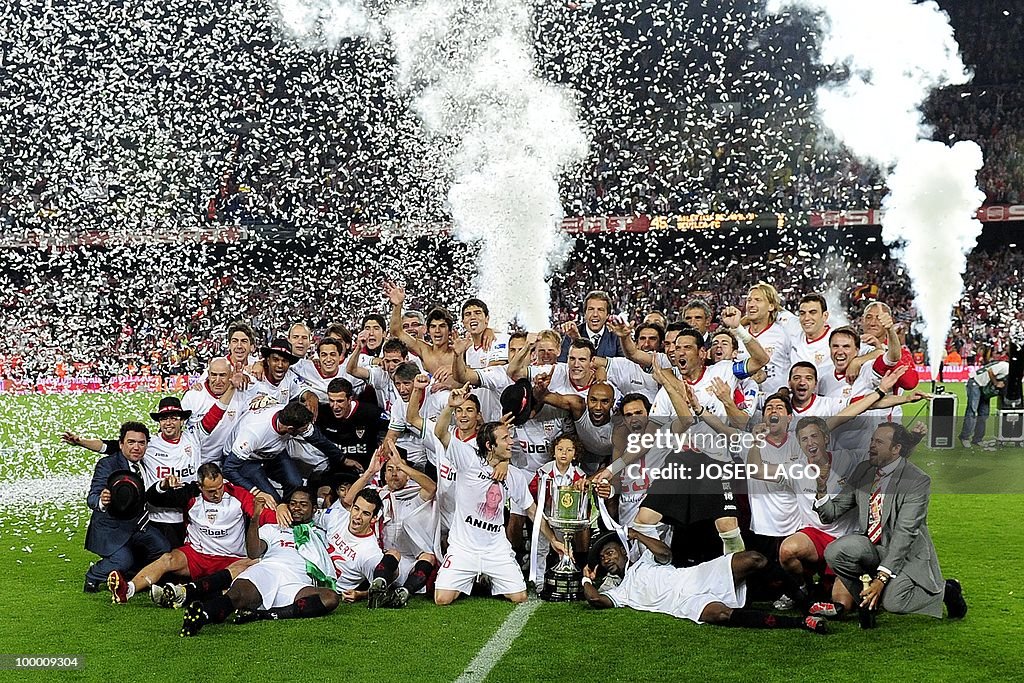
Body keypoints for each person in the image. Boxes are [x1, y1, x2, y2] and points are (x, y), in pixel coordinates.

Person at [813, 423, 968, 620]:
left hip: (905, 553)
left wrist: (882, 578)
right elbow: (831, 513)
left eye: (879, 442)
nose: (872, 446)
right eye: (872, 440)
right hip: (872, 546)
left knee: (894, 603)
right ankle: (867, 599)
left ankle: (947, 590)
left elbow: (905, 533)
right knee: (836, 551)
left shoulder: (917, 480)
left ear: (896, 449)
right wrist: (821, 488)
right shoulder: (864, 470)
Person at [582, 528, 828, 633]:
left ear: (624, 551)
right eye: (602, 559)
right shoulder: (622, 591)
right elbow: (595, 599)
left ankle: (807, 603)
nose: (606, 559)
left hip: (695, 576)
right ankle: (801, 622)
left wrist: (637, 535)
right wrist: (586, 580)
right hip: (682, 604)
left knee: (755, 559)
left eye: (610, 552)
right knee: (721, 615)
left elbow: (666, 553)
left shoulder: (646, 560)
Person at [433, 417, 565, 605]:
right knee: (442, 599)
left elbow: (532, 511)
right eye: (505, 439)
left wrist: (553, 539)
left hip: (496, 550)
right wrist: (449, 407)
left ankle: (484, 577)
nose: (511, 442)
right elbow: (440, 432)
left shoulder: (515, 476)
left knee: (520, 597)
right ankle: (476, 578)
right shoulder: (468, 459)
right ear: (490, 445)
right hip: (463, 549)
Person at [106, 463, 275, 606]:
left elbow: (259, 514)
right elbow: (153, 499)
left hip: (230, 558)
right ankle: (127, 590)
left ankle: (185, 595)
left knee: (252, 564)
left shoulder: (237, 494)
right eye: (211, 491)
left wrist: (281, 514)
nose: (217, 494)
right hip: (196, 556)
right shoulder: (190, 494)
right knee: (168, 558)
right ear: (200, 487)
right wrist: (163, 486)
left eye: (220, 487)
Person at [179, 489, 341, 635]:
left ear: (313, 509)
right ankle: (202, 616)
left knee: (330, 598)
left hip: (297, 583)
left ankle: (264, 614)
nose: (296, 508)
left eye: (303, 505)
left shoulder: (320, 531)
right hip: (268, 571)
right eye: (293, 504)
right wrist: (255, 519)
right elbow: (253, 552)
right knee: (237, 595)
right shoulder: (274, 528)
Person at [83, 422, 170, 593]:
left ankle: (137, 577)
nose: (136, 447)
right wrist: (102, 500)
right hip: (112, 529)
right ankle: (94, 575)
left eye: (141, 443)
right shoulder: (107, 464)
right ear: (121, 444)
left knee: (163, 549)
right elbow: (92, 497)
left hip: (139, 525)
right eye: (131, 442)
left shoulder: (147, 463)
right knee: (123, 560)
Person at [558, 290, 623, 360]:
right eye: (591, 309)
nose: (595, 314)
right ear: (585, 313)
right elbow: (563, 364)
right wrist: (577, 339)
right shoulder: (572, 334)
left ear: (607, 315)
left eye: (600, 310)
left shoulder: (616, 337)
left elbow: (624, 367)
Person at [959, 359, 1009, 447]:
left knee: (984, 414)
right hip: (976, 383)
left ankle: (977, 439)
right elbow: (990, 371)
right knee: (972, 411)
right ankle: (965, 437)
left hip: (984, 387)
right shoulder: (1005, 366)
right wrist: (996, 383)